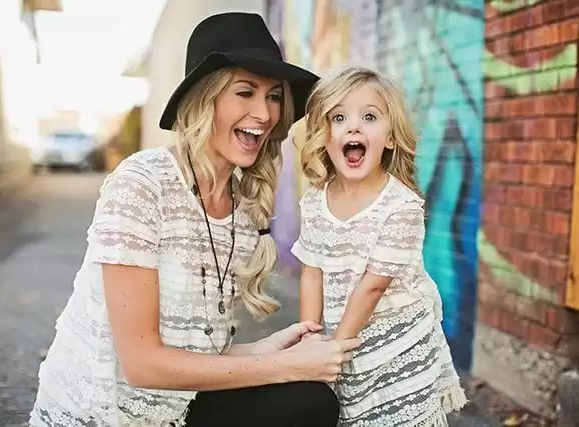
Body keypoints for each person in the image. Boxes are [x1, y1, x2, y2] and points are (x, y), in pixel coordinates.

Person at [29, 12, 361, 427]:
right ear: (205, 99)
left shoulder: (242, 213)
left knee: (311, 402)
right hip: (103, 417)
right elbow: (143, 364)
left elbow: (198, 355)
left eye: (274, 96)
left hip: (176, 409)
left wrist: (273, 349)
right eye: (245, 92)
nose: (264, 113)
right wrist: (289, 367)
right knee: (301, 388)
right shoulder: (142, 185)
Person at [291, 65, 467, 427]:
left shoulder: (400, 206)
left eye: (369, 116)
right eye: (339, 117)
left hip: (398, 345)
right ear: (325, 136)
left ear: (389, 138)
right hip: (348, 341)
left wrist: (334, 354)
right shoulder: (314, 203)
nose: (353, 127)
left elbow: (372, 287)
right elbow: (311, 272)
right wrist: (310, 341)